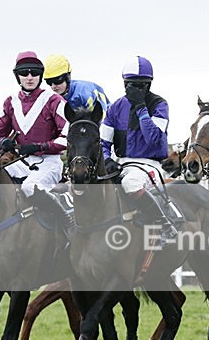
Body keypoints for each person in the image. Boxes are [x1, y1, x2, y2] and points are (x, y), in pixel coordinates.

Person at [100, 55, 178, 243]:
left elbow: (154, 139)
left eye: (141, 85)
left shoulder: (159, 104)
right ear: (124, 83)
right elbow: (103, 142)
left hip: (149, 165)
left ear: (149, 84)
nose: (136, 89)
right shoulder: (115, 108)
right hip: (123, 164)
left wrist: (141, 107)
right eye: (131, 84)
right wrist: (107, 159)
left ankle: (163, 224)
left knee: (131, 184)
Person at [0, 51, 73, 235]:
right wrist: (4, 141)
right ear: (17, 76)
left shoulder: (54, 100)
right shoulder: (10, 102)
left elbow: (67, 138)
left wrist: (41, 147)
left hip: (50, 163)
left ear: (40, 75)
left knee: (30, 187)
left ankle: (67, 224)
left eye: (35, 72)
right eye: (24, 72)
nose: (30, 77)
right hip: (21, 162)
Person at [43, 53, 110, 114]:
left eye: (57, 81)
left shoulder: (86, 93)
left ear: (68, 77)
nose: (53, 86)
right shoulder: (51, 99)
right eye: (49, 82)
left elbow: (101, 119)